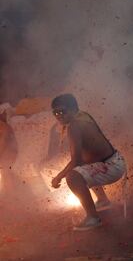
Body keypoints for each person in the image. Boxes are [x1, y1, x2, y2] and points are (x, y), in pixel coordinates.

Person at [50, 94, 127, 231]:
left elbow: (76, 160)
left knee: (73, 177)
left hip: (111, 166)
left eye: (62, 111)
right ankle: (103, 200)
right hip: (116, 160)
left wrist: (58, 177)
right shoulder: (83, 115)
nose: (58, 115)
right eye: (55, 112)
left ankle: (93, 218)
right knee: (83, 167)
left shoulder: (74, 126)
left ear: (73, 109)